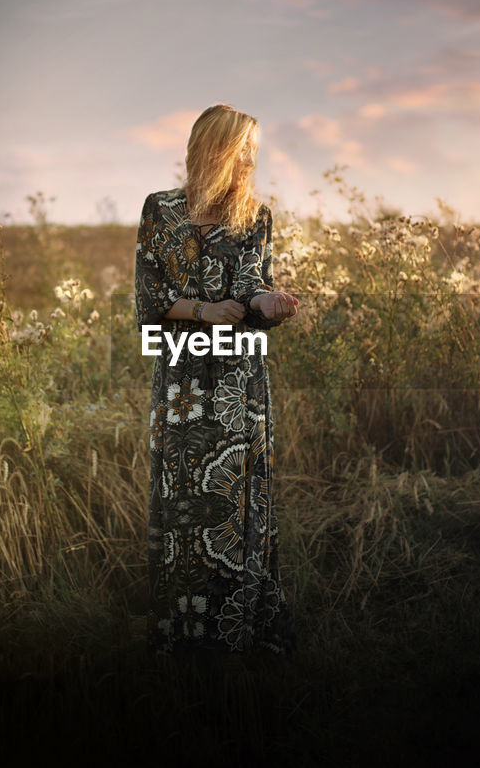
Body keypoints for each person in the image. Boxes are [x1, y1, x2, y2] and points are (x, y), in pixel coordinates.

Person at [134, 103, 301, 657]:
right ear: (213, 147)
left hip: (238, 385)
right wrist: (202, 312)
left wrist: (267, 302)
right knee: (181, 498)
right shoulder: (160, 210)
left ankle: (240, 633)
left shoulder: (256, 217)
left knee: (237, 501)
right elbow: (148, 300)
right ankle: (181, 640)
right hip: (182, 378)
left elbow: (252, 286)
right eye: (243, 146)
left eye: (255, 148)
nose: (251, 158)